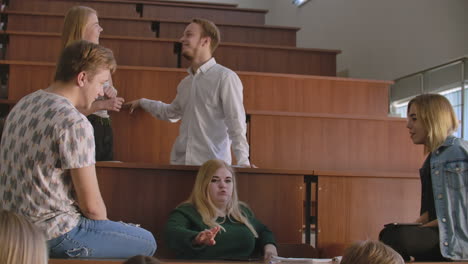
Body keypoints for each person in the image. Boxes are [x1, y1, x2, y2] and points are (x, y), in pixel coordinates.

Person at [0, 40, 156, 258]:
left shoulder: (24, 104)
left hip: (12, 230)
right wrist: (108, 230)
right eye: (101, 83)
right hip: (52, 234)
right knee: (146, 241)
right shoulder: (74, 122)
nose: (101, 92)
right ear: (82, 78)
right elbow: (92, 208)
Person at [125, 18, 250, 166]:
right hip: (181, 165)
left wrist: (243, 163)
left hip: (211, 169)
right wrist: (143, 102)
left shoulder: (225, 78)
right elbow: (171, 113)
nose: (181, 39)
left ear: (205, 41)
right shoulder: (185, 83)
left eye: (188, 35)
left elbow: (236, 123)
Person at [379, 93, 468, 261]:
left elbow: (455, 214)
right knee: (390, 234)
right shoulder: (432, 159)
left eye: (414, 118)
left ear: (432, 119)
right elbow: (433, 211)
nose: (408, 125)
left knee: (393, 238)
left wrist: (416, 232)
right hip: (443, 233)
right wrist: (412, 227)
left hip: (457, 239)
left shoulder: (457, 152)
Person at [164, 159, 277, 260]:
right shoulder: (187, 211)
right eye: (215, 180)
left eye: (228, 180)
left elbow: (263, 231)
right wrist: (197, 238)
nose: (223, 185)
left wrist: (270, 247)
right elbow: (172, 232)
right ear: (203, 184)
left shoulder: (241, 211)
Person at [62, 6, 125, 161]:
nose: (101, 29)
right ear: (82, 28)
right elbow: (70, 112)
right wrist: (102, 105)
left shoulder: (102, 58)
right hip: (85, 125)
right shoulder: (71, 64)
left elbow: (110, 88)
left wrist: (112, 93)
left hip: (104, 126)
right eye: (96, 25)